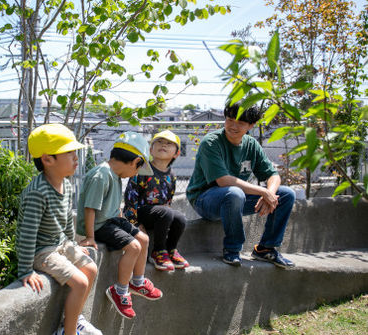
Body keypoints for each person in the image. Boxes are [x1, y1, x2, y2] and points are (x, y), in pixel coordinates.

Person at [16, 123, 103, 335]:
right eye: (69, 153)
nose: (76, 158)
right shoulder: (38, 193)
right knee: (80, 282)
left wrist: (72, 246)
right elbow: (27, 236)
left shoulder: (67, 184)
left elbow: (66, 225)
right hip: (42, 251)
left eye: (75, 152)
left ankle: (75, 319)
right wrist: (25, 271)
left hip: (60, 244)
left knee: (91, 268)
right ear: (47, 159)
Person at [186, 103, 296, 268]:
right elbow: (223, 181)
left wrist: (270, 194)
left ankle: (265, 248)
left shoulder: (251, 144)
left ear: (251, 125)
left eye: (240, 122)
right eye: (230, 119)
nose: (233, 125)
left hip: (235, 198)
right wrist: (263, 192)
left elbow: (273, 175)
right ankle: (232, 249)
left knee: (287, 194)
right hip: (205, 200)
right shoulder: (211, 143)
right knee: (234, 193)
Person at [76, 131, 163, 320]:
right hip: (99, 225)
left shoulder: (114, 175)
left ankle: (137, 282)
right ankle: (121, 290)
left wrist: (123, 220)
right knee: (133, 247)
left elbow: (112, 206)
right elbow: (90, 208)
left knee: (143, 238)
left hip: (111, 220)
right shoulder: (101, 175)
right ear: (135, 162)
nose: (135, 174)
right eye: (137, 170)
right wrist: (90, 237)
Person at [123, 130, 189, 272]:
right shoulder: (142, 169)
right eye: (159, 142)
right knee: (165, 212)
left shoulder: (171, 175)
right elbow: (130, 198)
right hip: (141, 213)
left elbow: (168, 201)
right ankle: (158, 251)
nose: (163, 145)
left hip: (160, 214)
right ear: (151, 149)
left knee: (181, 219)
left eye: (169, 144)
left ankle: (171, 249)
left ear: (176, 153)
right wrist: (135, 223)